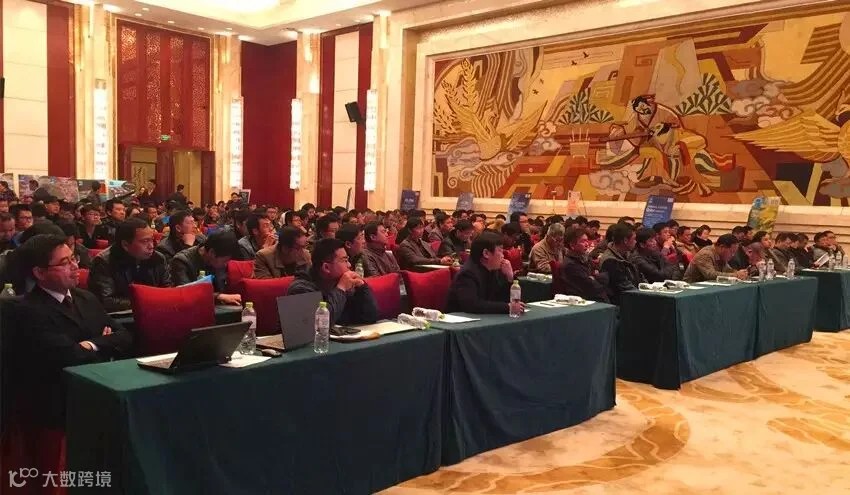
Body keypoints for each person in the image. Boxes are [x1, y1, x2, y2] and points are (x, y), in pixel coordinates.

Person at [14, 234, 133, 430]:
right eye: (64, 263)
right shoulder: (29, 310)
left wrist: (90, 344)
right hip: (62, 397)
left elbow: (124, 336)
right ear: (40, 272)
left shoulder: (86, 298)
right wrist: (104, 343)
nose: (75, 266)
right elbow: (69, 355)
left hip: (103, 381)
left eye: (73, 258)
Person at [286, 238, 379, 326]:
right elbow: (319, 324)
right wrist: (341, 289)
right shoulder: (300, 289)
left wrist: (362, 288)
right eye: (344, 260)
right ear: (326, 267)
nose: (349, 265)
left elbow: (370, 317)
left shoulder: (343, 282)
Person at [88, 218, 172, 311]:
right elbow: (106, 301)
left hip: (155, 310)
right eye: (145, 241)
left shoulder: (158, 258)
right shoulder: (104, 262)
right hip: (120, 315)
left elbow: (167, 289)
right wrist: (146, 302)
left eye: (151, 240)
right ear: (125, 245)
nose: (151, 246)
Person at [446, 231, 525, 314]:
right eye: (500, 251)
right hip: (462, 319)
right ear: (486, 253)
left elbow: (508, 299)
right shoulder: (467, 274)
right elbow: (472, 305)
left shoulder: (495, 270)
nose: (503, 255)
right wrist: (507, 307)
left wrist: (510, 277)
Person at [169, 231, 242, 305]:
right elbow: (184, 293)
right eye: (225, 261)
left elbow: (222, 289)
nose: (226, 265)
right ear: (212, 253)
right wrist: (219, 296)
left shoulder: (216, 261)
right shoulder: (181, 261)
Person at [557, 226, 609, 302]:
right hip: (585, 300)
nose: (587, 244)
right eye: (583, 241)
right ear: (572, 245)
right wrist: (595, 277)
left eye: (587, 241)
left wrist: (594, 277)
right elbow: (591, 286)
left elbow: (603, 274)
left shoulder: (585, 258)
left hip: (597, 296)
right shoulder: (570, 264)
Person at [599, 223, 644, 304]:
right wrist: (645, 295)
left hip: (633, 296)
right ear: (625, 241)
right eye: (634, 239)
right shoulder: (610, 261)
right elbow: (624, 287)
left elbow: (640, 277)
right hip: (620, 302)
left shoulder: (628, 254)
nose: (636, 242)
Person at [683, 233, 747, 283]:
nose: (733, 255)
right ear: (722, 247)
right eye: (731, 251)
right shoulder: (706, 254)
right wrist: (736, 275)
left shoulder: (721, 255)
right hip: (691, 287)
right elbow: (710, 275)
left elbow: (728, 270)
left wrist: (740, 273)